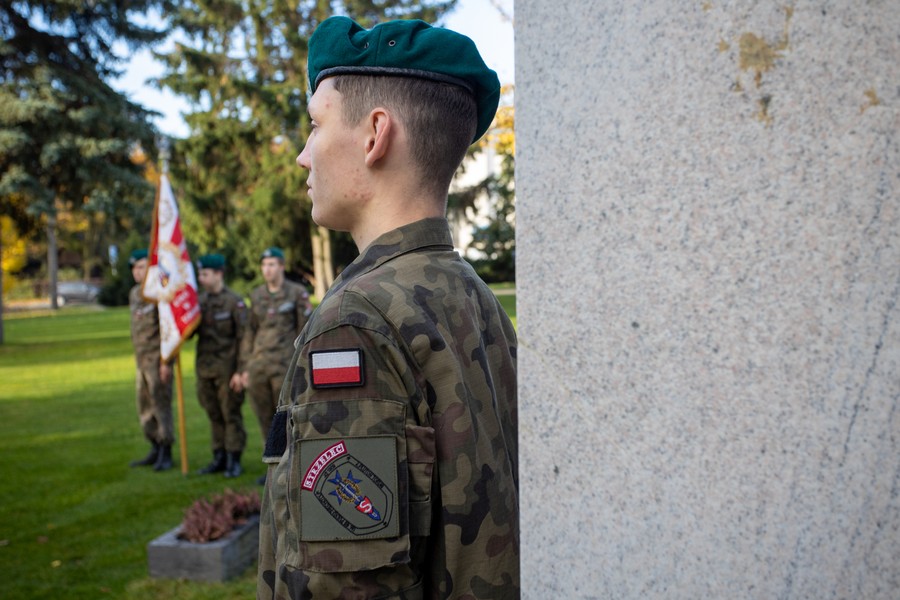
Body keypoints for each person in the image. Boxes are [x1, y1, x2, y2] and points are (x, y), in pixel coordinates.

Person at [257, 17, 519, 599]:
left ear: (375, 134)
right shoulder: (474, 295)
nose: (303, 156)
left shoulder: (357, 325)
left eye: (315, 126)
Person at [240, 247, 312, 454]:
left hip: (286, 366)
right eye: (264, 265)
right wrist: (245, 367)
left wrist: (303, 365)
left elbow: (305, 331)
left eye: (271, 264)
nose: (267, 269)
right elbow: (250, 333)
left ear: (281, 266)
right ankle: (272, 460)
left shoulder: (297, 293)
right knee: (264, 417)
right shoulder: (256, 295)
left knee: (287, 417)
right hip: (259, 367)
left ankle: (291, 461)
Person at [194, 253, 248, 478]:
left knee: (230, 413)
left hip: (228, 369)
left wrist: (241, 370)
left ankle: (234, 459)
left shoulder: (234, 302)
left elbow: (244, 338)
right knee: (213, 413)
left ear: (218, 274)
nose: (200, 278)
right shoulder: (199, 303)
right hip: (205, 368)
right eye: (200, 274)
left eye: (205, 274)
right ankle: (219, 456)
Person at [127, 248, 175, 472]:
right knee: (144, 406)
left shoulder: (159, 293)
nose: (137, 271)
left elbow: (168, 331)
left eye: (141, 266)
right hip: (141, 361)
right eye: (134, 268)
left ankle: (166, 451)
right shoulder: (135, 294)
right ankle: (154, 446)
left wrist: (167, 362)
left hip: (158, 361)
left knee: (161, 405)